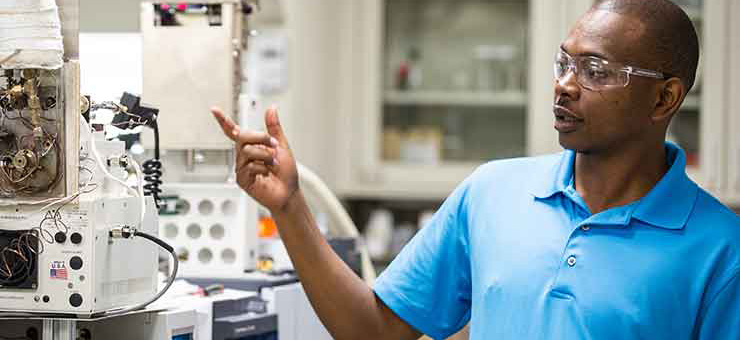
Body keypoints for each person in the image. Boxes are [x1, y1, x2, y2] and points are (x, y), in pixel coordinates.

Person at [211, 0, 739, 338]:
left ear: (664, 98)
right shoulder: (492, 192)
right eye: (564, 63)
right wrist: (290, 207)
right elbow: (371, 329)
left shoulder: (721, 250)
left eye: (595, 70)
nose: (566, 84)